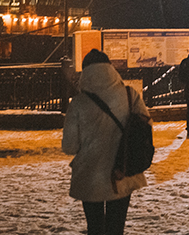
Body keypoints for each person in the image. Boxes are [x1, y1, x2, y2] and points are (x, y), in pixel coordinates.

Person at [62, 49, 150, 235]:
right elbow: (145, 126)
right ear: (111, 69)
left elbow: (69, 147)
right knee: (115, 227)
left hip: (90, 176)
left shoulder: (78, 103)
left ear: (85, 72)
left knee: (94, 227)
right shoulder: (129, 95)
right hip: (121, 171)